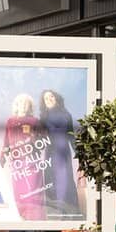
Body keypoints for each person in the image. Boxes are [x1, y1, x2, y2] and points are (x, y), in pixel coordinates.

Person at [0, 93, 47, 221]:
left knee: (33, 192)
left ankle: (35, 221)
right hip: (17, 163)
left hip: (32, 162)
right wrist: (1, 158)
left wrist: (34, 138)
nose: (23, 105)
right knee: (19, 192)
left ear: (30, 107)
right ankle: (20, 220)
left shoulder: (35, 121)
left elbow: (44, 140)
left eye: (26, 103)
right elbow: (6, 142)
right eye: (20, 102)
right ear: (16, 105)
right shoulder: (10, 121)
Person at [39, 89, 80, 218]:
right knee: (53, 180)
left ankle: (69, 212)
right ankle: (56, 213)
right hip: (51, 151)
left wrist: (80, 155)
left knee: (66, 180)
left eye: (51, 96)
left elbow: (71, 135)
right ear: (44, 103)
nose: (49, 99)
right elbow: (39, 137)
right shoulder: (43, 117)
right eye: (46, 98)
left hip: (64, 151)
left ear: (56, 97)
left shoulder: (66, 113)